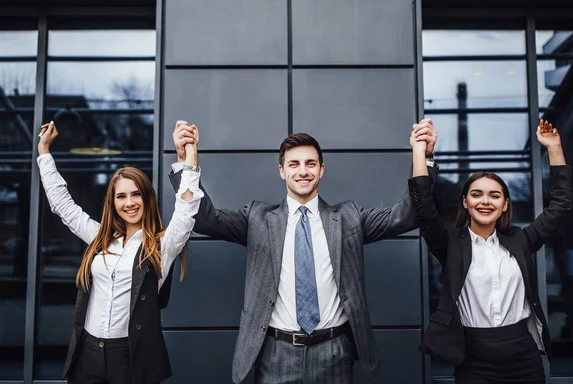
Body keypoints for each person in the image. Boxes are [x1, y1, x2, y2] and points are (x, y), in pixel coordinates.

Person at [169, 120, 438, 384]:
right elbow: (205, 220)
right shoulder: (258, 218)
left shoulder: (349, 217)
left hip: (334, 351)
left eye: (310, 164)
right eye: (294, 164)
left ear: (321, 170)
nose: (303, 171)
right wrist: (187, 161)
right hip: (275, 354)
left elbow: (406, 217)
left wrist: (421, 155)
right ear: (282, 171)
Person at [37, 121, 203, 384]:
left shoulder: (161, 246)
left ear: (147, 198)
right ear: (112, 203)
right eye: (121, 196)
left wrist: (189, 157)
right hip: (87, 352)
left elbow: (186, 211)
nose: (129, 203)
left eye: (136, 194)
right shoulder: (99, 238)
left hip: (129, 357)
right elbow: (62, 205)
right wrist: (44, 152)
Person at [408, 119, 572, 384]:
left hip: (524, 358)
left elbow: (561, 207)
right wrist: (421, 152)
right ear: (465, 201)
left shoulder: (520, 240)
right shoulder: (450, 244)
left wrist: (554, 148)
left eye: (495, 196)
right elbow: (423, 209)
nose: (485, 201)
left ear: (505, 204)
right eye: (477, 194)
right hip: (474, 361)